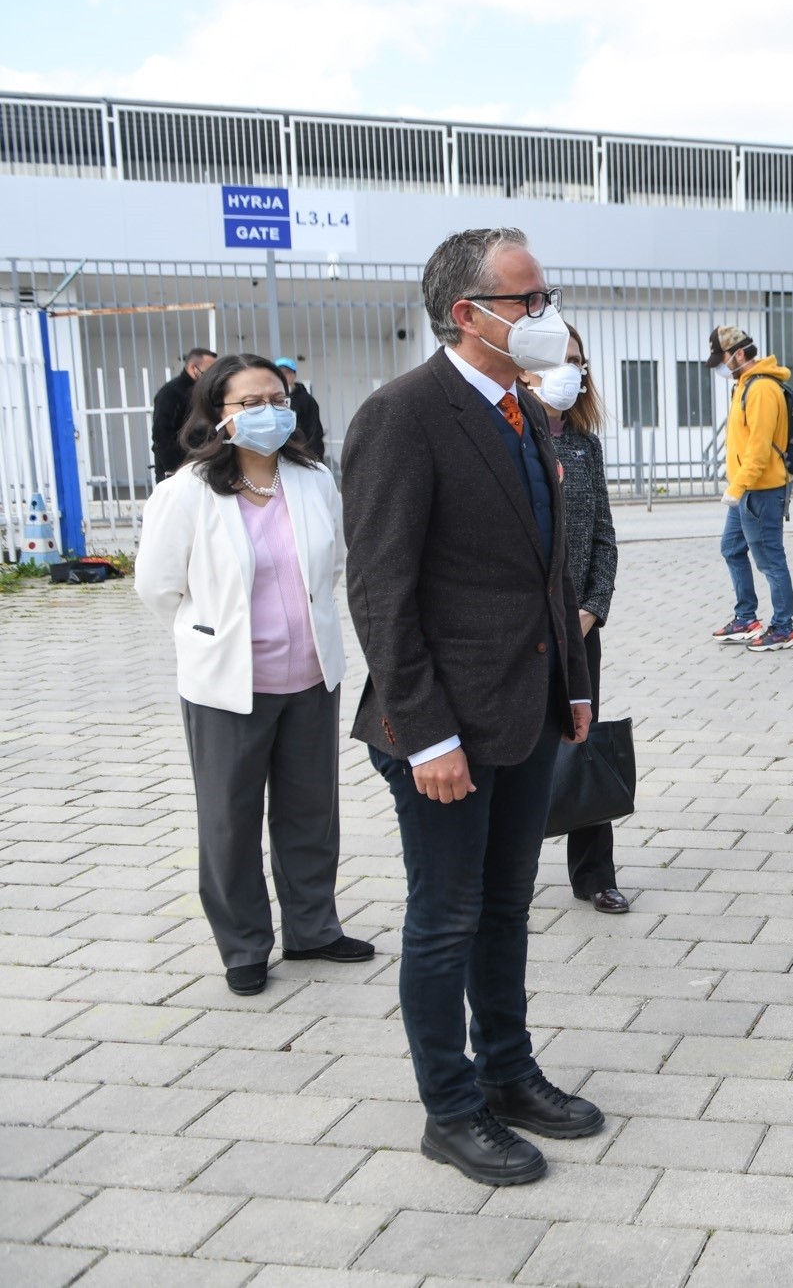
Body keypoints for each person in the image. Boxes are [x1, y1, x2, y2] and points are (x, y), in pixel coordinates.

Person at [343, 227, 600, 1187]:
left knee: (504, 907)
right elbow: (379, 591)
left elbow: (546, 573)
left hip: (528, 710)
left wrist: (574, 687)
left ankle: (509, 1069)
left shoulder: (525, 411)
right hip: (444, 727)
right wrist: (427, 733)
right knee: (445, 917)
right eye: (528, 301)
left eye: (545, 295)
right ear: (469, 313)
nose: (546, 316)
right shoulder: (404, 415)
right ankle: (450, 1111)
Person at [135, 353, 372, 996]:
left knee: (310, 814)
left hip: (310, 676)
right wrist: (206, 635)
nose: (268, 411)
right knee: (230, 820)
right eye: (249, 402)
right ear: (218, 414)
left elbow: (332, 566)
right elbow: (157, 586)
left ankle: (313, 930)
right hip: (228, 684)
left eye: (277, 398)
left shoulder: (314, 478)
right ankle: (244, 944)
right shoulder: (186, 492)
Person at [524, 325, 625, 915]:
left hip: (579, 630)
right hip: (522, 632)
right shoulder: (509, 438)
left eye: (579, 362)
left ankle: (595, 874)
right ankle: (505, 867)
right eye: (561, 360)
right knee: (515, 749)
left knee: (582, 743)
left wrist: (592, 609)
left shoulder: (584, 444)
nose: (571, 372)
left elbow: (604, 539)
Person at [707, 325, 793, 652]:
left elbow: (759, 449)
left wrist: (739, 485)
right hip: (745, 490)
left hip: (761, 490)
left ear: (739, 354)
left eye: (723, 358)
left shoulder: (761, 390)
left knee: (770, 559)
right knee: (731, 548)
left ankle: (784, 628)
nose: (721, 365)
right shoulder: (744, 385)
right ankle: (747, 618)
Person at [150, 347, 216, 480]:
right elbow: (162, 434)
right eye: (209, 372)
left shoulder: (205, 391)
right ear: (193, 368)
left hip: (201, 465)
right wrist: (173, 469)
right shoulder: (171, 393)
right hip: (177, 468)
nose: (212, 377)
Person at [273, 357, 327, 462]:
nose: (283, 376)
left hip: (301, 454)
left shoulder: (306, 400)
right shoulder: (268, 399)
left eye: (287, 372)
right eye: (279, 373)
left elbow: (314, 431)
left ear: (294, 375)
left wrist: (315, 458)